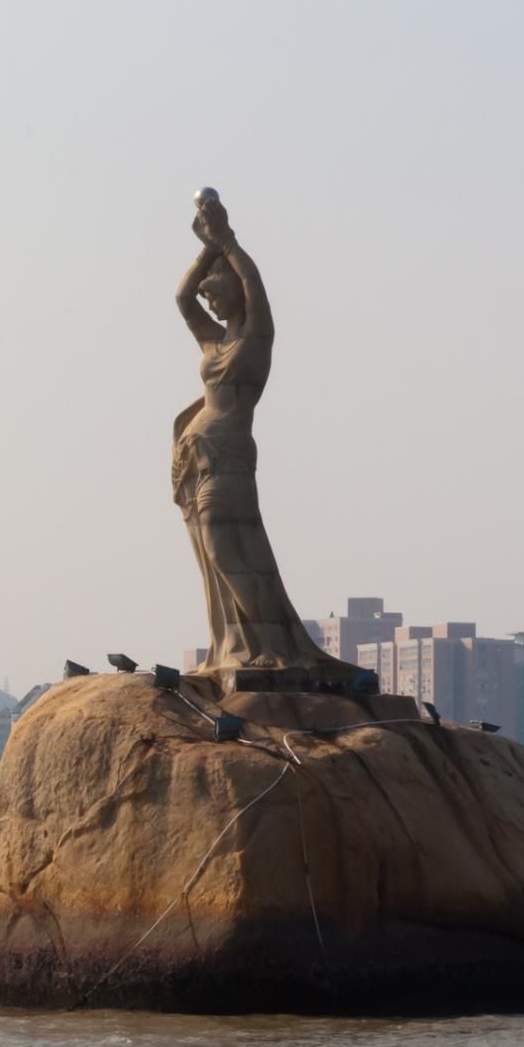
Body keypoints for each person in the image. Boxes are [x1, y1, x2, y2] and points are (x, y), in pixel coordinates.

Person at [170, 189, 354, 682]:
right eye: (208, 291)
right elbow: (181, 298)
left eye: (216, 290)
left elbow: (254, 284)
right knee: (219, 555)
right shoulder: (214, 342)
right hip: (201, 460)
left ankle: (269, 648)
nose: (208, 297)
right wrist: (208, 246)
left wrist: (227, 240)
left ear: (234, 291)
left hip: (228, 460)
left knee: (228, 552)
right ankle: (241, 646)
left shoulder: (253, 342)